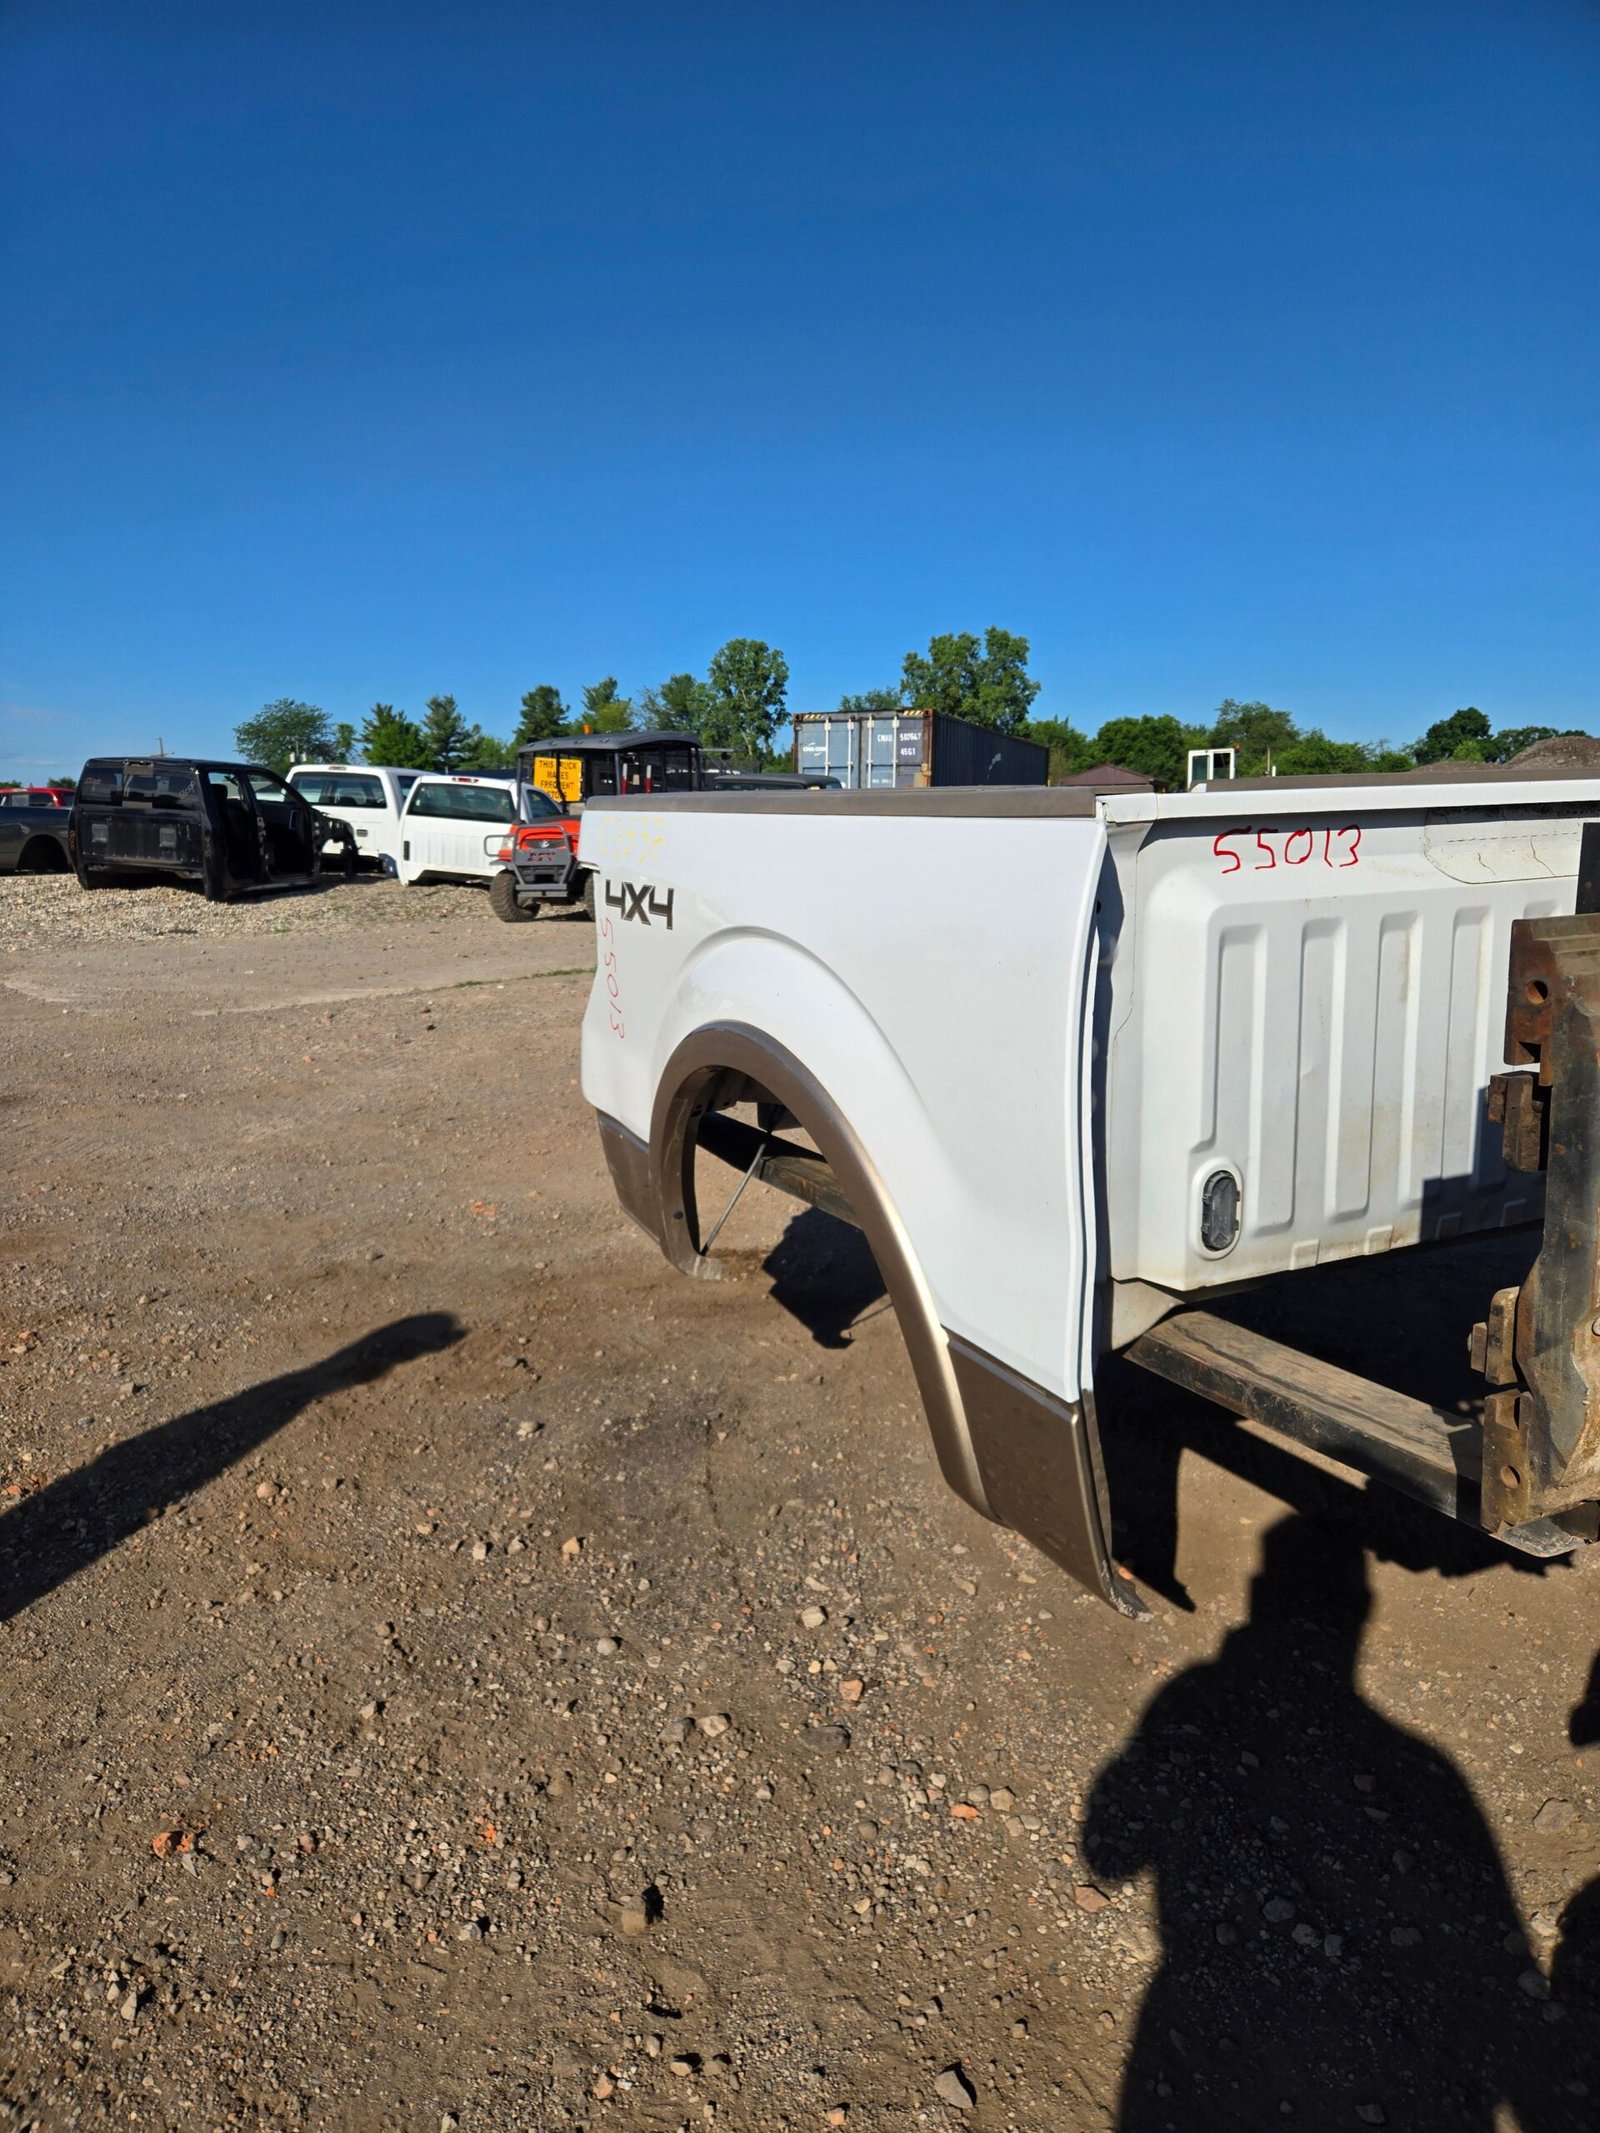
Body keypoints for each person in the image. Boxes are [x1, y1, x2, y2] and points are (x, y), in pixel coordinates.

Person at [1083, 1514, 1564, 2130]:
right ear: (1360, 1615)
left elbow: (1110, 1857)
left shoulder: (1192, 1698)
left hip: (1190, 2028)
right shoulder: (1427, 1767)